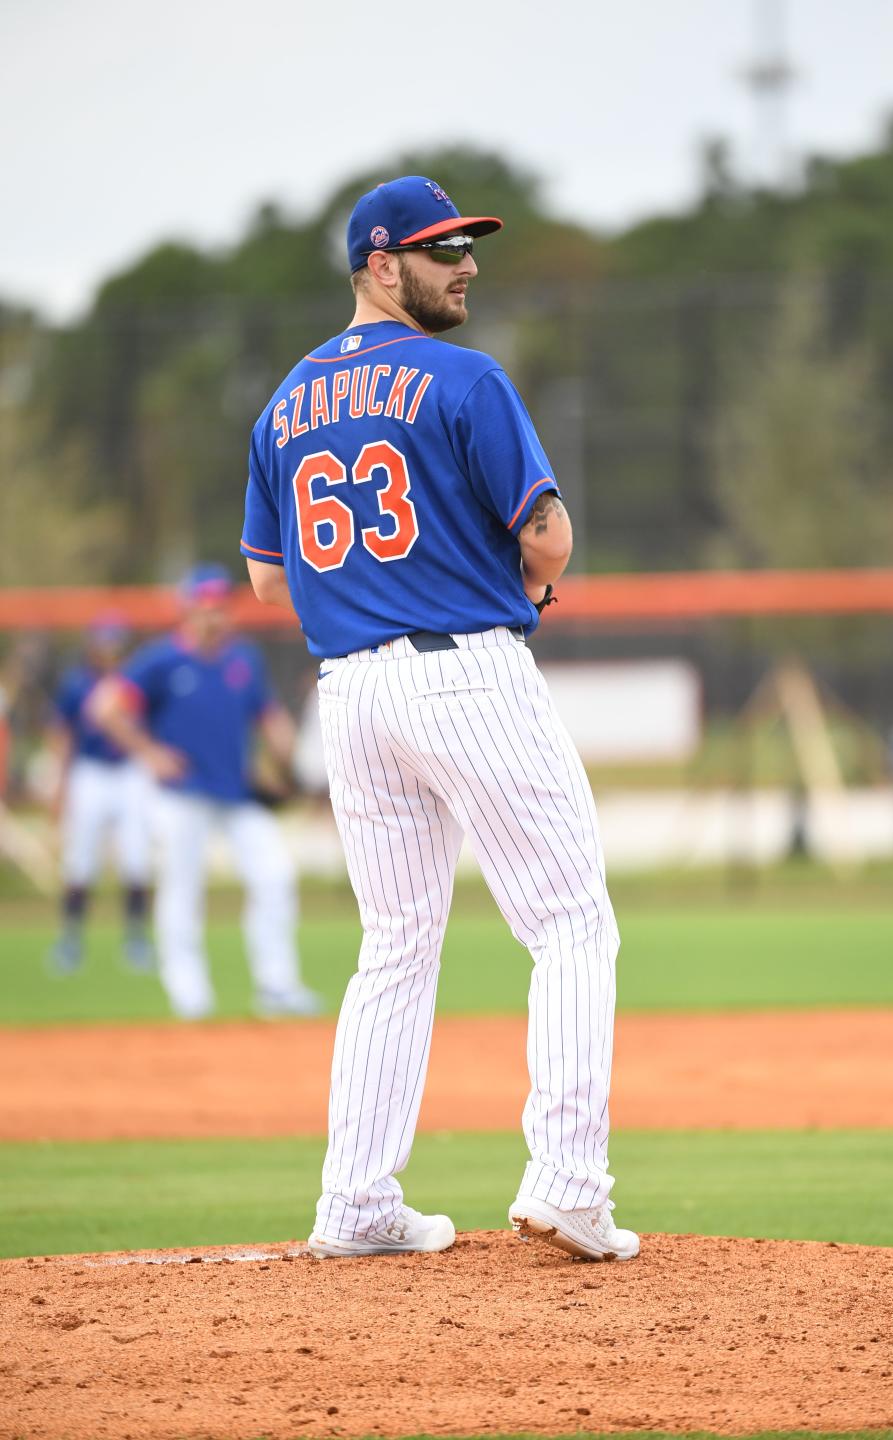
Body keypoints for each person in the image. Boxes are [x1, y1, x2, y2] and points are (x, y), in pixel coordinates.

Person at [242, 176, 637, 1263]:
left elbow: (269, 582)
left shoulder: (283, 403)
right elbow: (548, 542)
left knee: (397, 945)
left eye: (466, 247)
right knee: (569, 922)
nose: (464, 265)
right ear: (380, 265)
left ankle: (358, 1204)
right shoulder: (463, 379)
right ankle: (569, 1183)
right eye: (439, 250)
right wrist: (492, 566)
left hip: (350, 695)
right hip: (462, 670)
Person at [91, 564, 321, 1021]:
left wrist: (285, 761)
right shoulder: (162, 660)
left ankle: (276, 986)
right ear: (188, 610)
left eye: (221, 607)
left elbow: (268, 715)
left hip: (237, 792)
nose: (215, 615)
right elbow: (106, 708)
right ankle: (189, 992)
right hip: (182, 793)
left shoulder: (243, 660)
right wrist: (150, 752)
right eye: (206, 606)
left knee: (275, 876)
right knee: (182, 889)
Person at [47, 617, 153, 973]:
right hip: (90, 772)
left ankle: (137, 942)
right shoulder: (77, 683)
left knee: (136, 859)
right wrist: (59, 785)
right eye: (104, 642)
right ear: (92, 646)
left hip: (130, 771)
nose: (109, 649)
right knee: (80, 862)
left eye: (115, 642)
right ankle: (70, 940)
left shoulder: (136, 680)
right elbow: (63, 735)